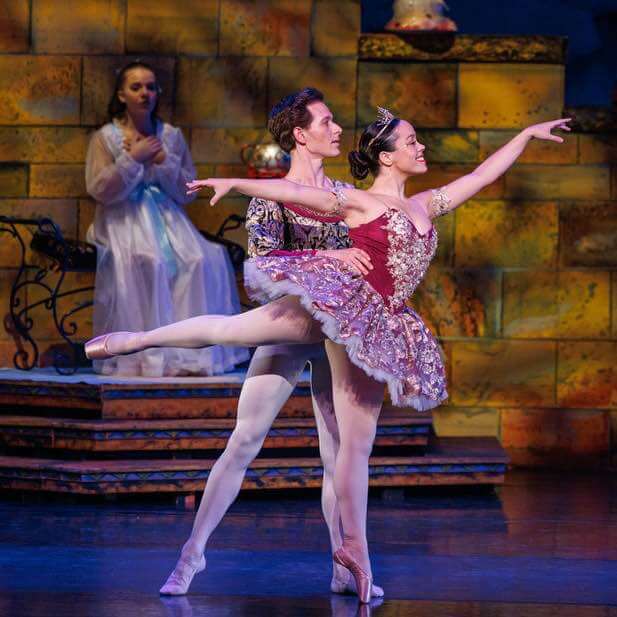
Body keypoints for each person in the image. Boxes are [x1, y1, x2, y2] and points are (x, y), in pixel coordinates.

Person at [86, 111, 571, 602]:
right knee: (241, 388)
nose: (422, 148)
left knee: (341, 449)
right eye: (412, 141)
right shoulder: (351, 199)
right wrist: (236, 183)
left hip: (363, 325)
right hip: (323, 306)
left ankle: (348, 559)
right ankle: (138, 349)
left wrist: (526, 136)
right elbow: (290, 206)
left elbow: (481, 175)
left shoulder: (423, 201)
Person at [156, 88, 382, 598]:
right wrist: (329, 264)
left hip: (338, 331)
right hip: (289, 324)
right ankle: (192, 555)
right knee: (244, 440)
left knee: (339, 452)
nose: (338, 129)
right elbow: (263, 268)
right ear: (300, 134)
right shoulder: (272, 196)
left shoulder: (345, 195)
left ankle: (346, 566)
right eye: (327, 122)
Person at [85, 61, 247, 376]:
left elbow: (187, 191)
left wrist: (162, 160)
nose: (145, 93)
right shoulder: (105, 138)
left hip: (167, 218)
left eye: (150, 87)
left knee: (202, 259)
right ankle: (145, 353)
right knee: (148, 261)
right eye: (136, 87)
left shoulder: (170, 136)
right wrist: (133, 159)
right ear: (121, 95)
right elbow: (99, 188)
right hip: (123, 217)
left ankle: (188, 353)